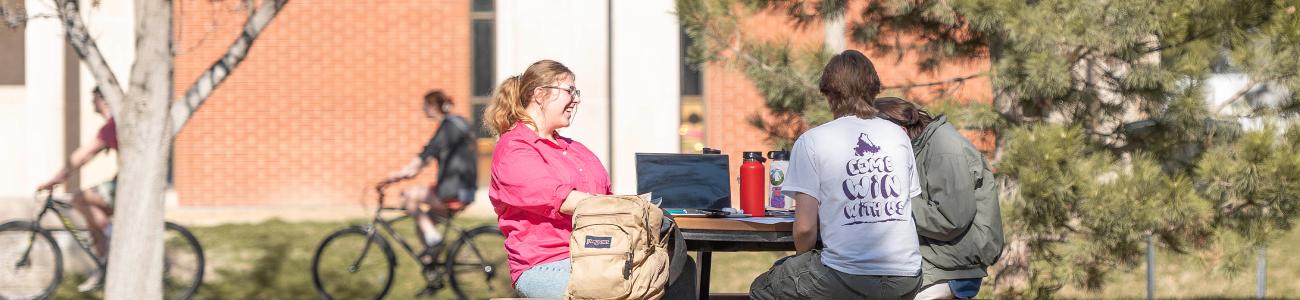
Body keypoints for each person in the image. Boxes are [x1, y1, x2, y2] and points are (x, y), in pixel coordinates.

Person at [485, 60, 695, 299]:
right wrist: (635, 208)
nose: (576, 99)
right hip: (548, 263)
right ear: (540, 95)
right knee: (635, 283)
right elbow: (565, 200)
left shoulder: (576, 150)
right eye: (569, 91)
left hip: (602, 255)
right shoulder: (514, 149)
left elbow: (605, 198)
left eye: (577, 92)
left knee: (680, 267)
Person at [749, 50, 924, 300]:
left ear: (828, 92)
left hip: (846, 274)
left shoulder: (813, 141)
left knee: (763, 288)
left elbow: (806, 228)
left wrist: (802, 261)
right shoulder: (898, 135)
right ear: (874, 88)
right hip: (906, 276)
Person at [874, 97, 1004, 300]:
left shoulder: (943, 148)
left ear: (899, 130)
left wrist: (892, 205)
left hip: (954, 267)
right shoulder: (920, 147)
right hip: (940, 257)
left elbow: (950, 219)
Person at [382, 89, 478, 264]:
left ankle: (436, 242)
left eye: (425, 105)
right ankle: (432, 270)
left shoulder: (448, 127)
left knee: (408, 196)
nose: (423, 109)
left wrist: (401, 174)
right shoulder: (457, 123)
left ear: (433, 106)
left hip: (454, 190)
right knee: (423, 226)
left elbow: (426, 155)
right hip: (464, 189)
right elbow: (427, 155)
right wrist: (407, 172)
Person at [35, 87, 117, 292]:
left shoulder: (113, 125)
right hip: (122, 182)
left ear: (104, 100)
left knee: (79, 198)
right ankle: (104, 261)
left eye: (94, 98)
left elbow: (83, 156)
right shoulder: (115, 124)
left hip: (125, 185)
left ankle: (113, 238)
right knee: (89, 213)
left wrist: (55, 179)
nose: (91, 102)